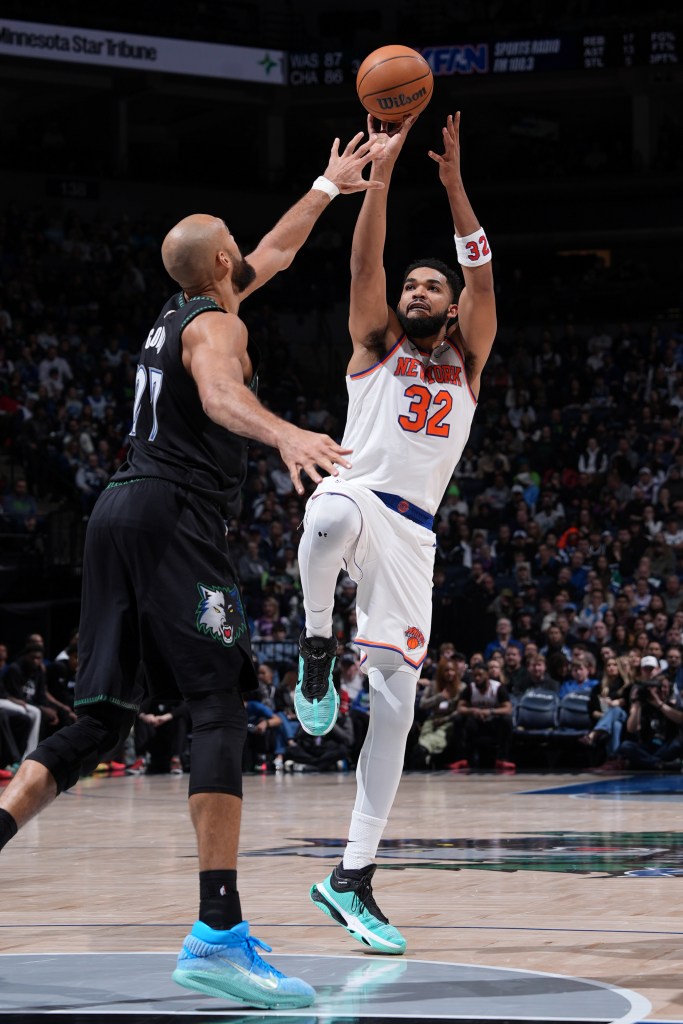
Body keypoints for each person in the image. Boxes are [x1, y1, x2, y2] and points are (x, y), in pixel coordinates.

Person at [0, 131, 384, 1009]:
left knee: (101, 720)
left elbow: (279, 249)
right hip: (173, 513)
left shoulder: (181, 309)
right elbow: (218, 397)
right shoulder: (215, 323)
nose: (248, 253)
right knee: (215, 700)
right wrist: (286, 433)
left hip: (116, 512)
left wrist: (329, 182)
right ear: (220, 260)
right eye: (235, 246)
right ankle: (218, 931)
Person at [293, 112, 496, 953]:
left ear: (449, 308)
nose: (414, 291)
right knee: (331, 506)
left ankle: (352, 875)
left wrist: (451, 184)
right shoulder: (372, 342)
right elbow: (362, 260)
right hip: (362, 501)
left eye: (429, 287)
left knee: (395, 707)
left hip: (415, 539)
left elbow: (483, 277)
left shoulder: (468, 357)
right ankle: (312, 651)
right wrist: (382, 174)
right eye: (410, 285)